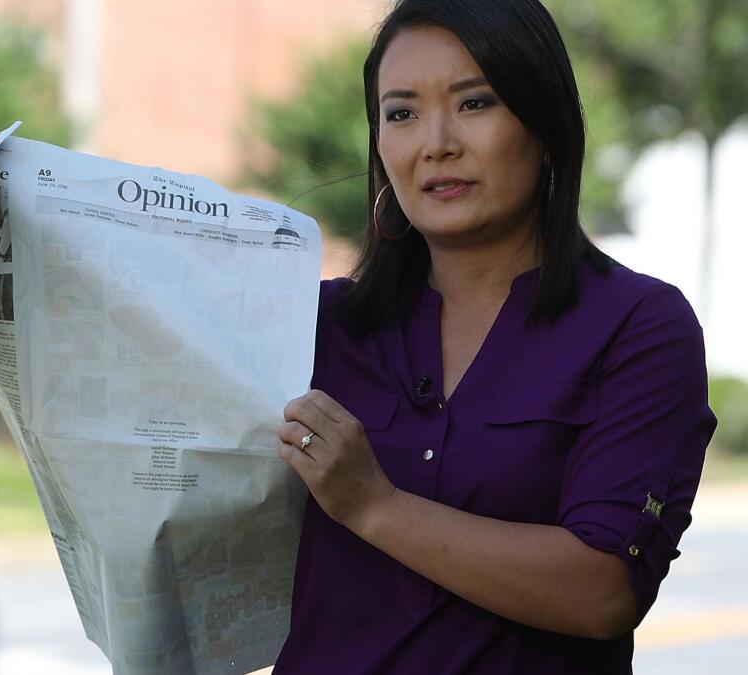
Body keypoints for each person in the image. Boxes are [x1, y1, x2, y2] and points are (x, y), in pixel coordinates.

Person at [272, 1, 716, 673]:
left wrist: (376, 505)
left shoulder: (639, 326)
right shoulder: (313, 324)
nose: (436, 142)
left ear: (545, 122)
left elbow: (603, 590)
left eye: (475, 103)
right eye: (400, 113)